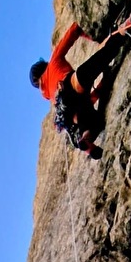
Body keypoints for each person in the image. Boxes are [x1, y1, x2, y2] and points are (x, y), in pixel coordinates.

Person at [29, 22, 124, 160]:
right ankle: (123, 30)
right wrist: (96, 40)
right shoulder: (53, 62)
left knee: (92, 121)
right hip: (70, 84)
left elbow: (84, 101)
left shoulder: (50, 96)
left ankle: (86, 136)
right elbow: (75, 29)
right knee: (102, 58)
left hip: (69, 110)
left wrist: (100, 86)